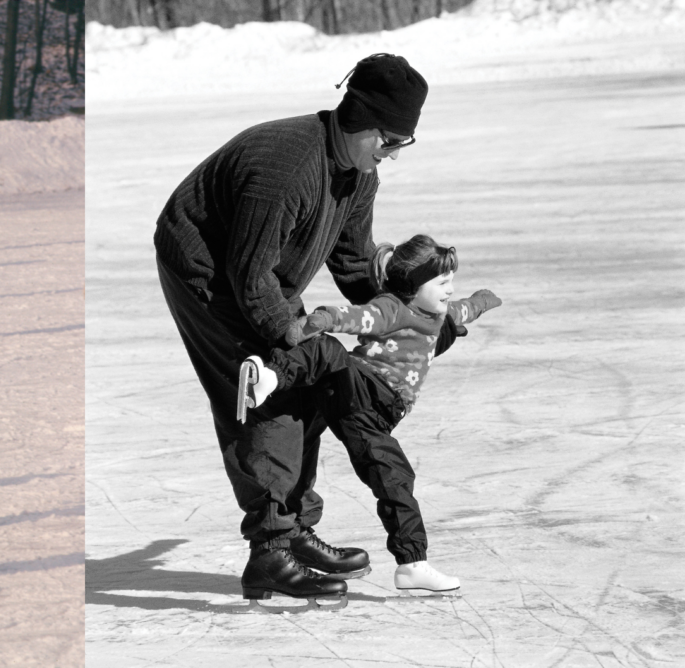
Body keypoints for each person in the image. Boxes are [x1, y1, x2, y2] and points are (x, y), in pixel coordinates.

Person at [153, 53, 429, 603]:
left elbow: (352, 263)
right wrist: (287, 340)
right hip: (207, 271)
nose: (394, 154)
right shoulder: (288, 167)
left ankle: (293, 528)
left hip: (259, 272)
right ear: (363, 122)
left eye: (403, 144)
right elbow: (250, 278)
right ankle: (271, 551)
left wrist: (408, 317)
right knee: (264, 390)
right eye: (392, 140)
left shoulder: (358, 175)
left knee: (305, 383)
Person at [240, 235, 502, 596]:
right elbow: (358, 317)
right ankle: (268, 378)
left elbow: (464, 309)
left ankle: (412, 565)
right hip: (362, 388)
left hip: (375, 415)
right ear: (414, 284)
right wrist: (324, 318)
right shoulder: (393, 308)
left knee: (395, 477)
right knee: (329, 350)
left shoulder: (440, 314)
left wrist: (483, 300)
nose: (449, 290)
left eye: (451, 281)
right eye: (442, 282)